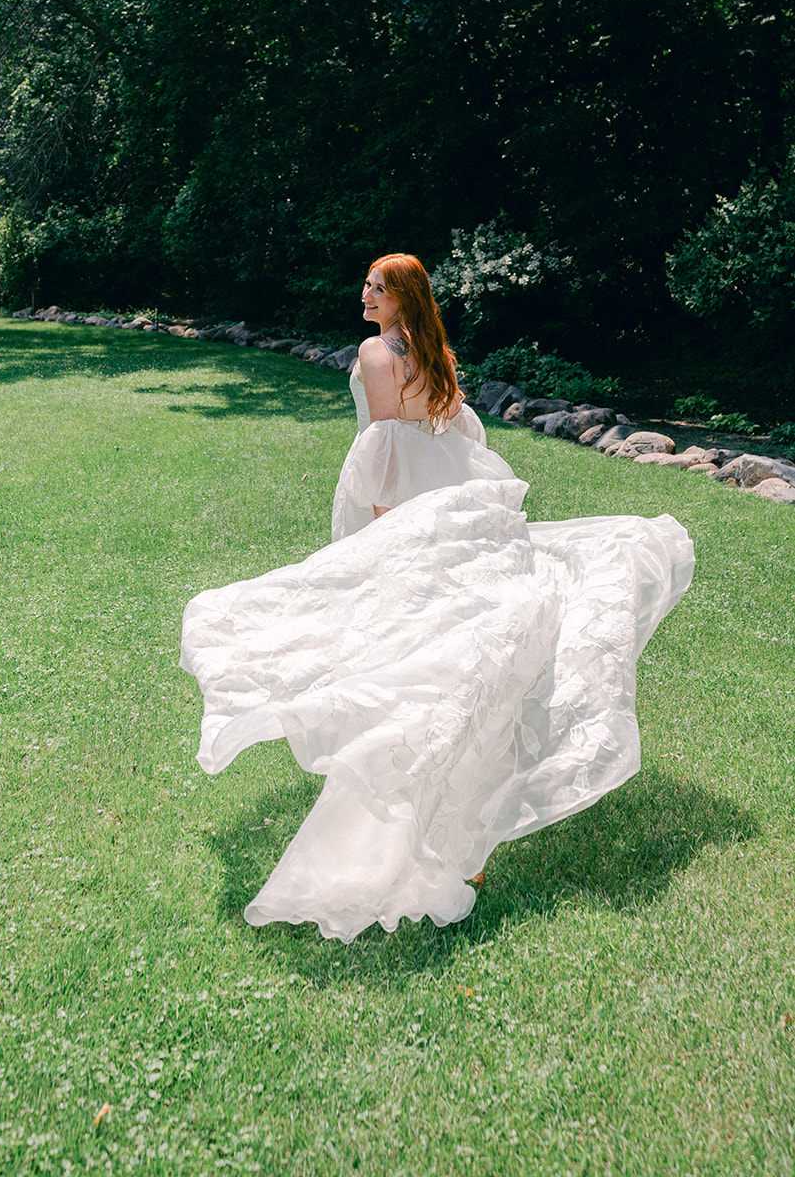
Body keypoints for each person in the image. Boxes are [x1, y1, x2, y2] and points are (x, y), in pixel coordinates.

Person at [181, 254, 695, 943]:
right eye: (363, 282)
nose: (362, 294)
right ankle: (447, 794)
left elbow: (385, 444)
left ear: (399, 299)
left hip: (403, 510)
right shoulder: (432, 350)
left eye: (375, 287)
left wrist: (383, 534)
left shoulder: (374, 352)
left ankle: (403, 783)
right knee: (446, 639)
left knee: (395, 636)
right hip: (446, 501)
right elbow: (456, 437)